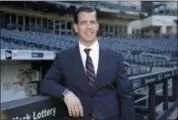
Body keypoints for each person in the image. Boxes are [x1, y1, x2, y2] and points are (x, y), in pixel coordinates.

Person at [40, 6, 135, 120]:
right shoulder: (63, 57)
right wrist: (66, 93)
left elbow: (125, 95)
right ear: (76, 27)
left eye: (92, 22)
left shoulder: (115, 57)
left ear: (97, 26)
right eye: (84, 22)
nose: (89, 26)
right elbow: (46, 83)